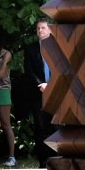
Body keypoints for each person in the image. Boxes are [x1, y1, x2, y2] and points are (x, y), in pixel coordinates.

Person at [28, 18, 55, 161]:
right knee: (40, 126)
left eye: (43, 28)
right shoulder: (31, 48)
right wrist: (41, 84)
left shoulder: (58, 47)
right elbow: (30, 70)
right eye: (38, 28)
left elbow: (61, 68)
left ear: (50, 29)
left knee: (55, 125)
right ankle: (43, 159)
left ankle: (56, 156)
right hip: (38, 93)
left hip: (55, 92)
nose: (40, 31)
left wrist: (50, 85)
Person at [0, 44, 17, 167]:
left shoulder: (6, 53)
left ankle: (12, 156)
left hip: (3, 90)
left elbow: (1, 75)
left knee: (6, 124)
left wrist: (6, 60)